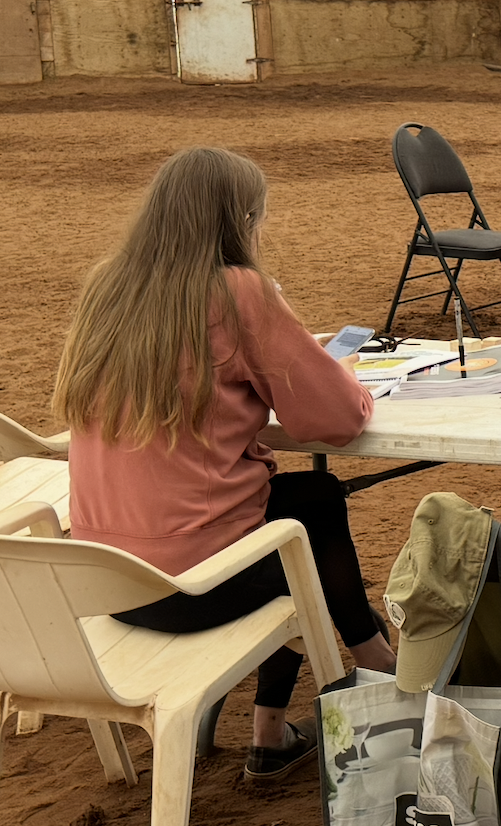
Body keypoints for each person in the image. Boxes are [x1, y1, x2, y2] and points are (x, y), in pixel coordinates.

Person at [54, 147, 397, 781]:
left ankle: (282, 723)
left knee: (303, 504)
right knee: (305, 528)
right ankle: (374, 658)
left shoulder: (109, 286)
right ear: (237, 219)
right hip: (194, 585)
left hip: (106, 583)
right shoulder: (238, 291)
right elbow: (335, 419)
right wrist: (342, 372)